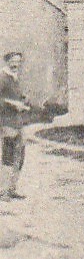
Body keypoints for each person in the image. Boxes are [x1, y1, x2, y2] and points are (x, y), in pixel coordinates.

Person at [0, 50, 29, 201]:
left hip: (18, 122)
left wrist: (23, 99)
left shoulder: (15, 78)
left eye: (18, 61)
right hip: (7, 122)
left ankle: (12, 188)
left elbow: (18, 95)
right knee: (8, 156)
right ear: (7, 61)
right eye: (13, 61)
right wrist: (11, 104)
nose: (16, 64)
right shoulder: (2, 77)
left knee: (20, 155)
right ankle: (3, 191)